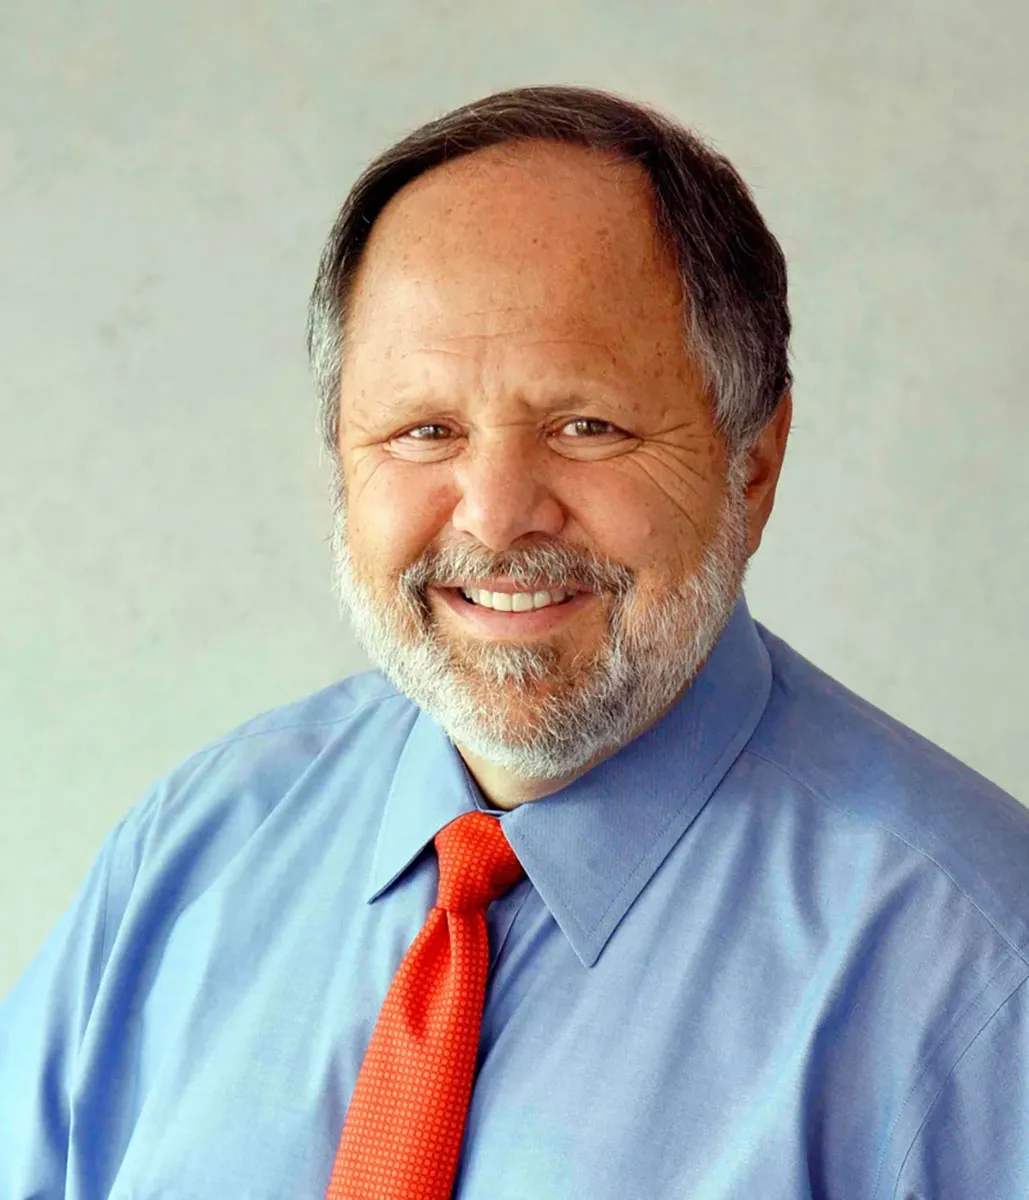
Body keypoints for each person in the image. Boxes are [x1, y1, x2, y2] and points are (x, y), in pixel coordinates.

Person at [1, 84, 1026, 1200]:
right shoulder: (190, 855)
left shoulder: (976, 979)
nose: (495, 514)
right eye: (424, 429)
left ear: (753, 463)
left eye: (587, 426)